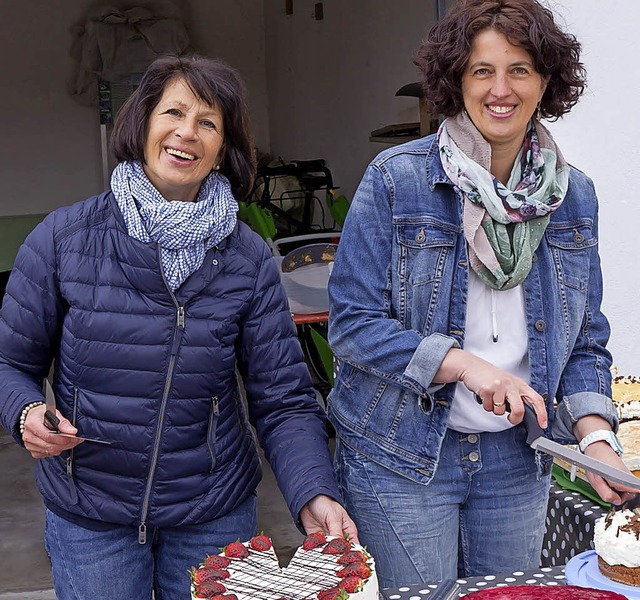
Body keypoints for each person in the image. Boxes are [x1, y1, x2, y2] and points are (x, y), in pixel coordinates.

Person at [0, 55, 356, 600]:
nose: (187, 132)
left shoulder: (247, 258)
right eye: (174, 112)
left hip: (211, 512)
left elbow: (282, 398)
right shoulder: (63, 239)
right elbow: (10, 363)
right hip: (92, 511)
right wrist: (25, 412)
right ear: (142, 124)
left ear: (222, 150)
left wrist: (313, 491)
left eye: (208, 123)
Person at [327, 0, 636, 588]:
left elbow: (586, 340)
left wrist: (595, 437)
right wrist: (460, 364)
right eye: (481, 70)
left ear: (546, 81)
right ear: (457, 82)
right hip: (402, 456)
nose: (501, 88)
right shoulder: (398, 180)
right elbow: (351, 324)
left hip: (519, 460)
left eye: (519, 69)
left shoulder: (574, 197)